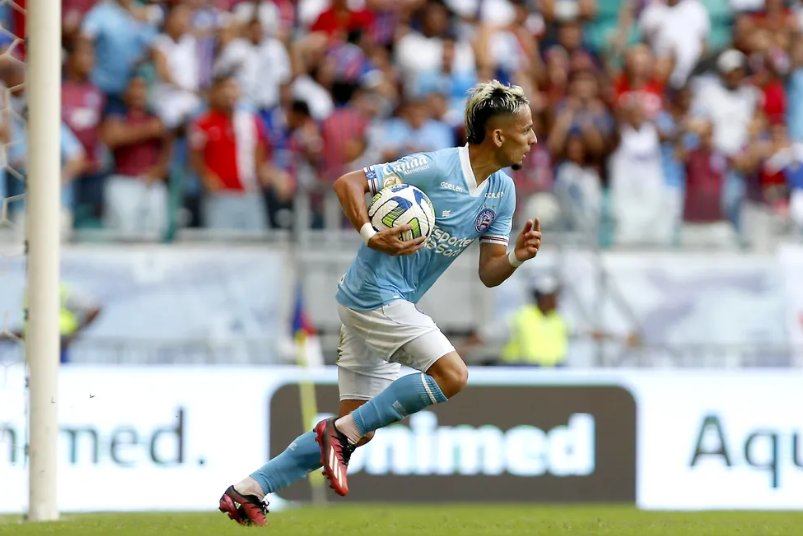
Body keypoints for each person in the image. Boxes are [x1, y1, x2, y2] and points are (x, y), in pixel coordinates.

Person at [218, 80, 541, 526]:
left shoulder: (502, 192)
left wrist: (515, 259)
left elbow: (489, 273)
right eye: (527, 129)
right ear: (499, 135)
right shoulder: (435, 166)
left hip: (380, 303)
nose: (534, 139)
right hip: (374, 294)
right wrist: (372, 234)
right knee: (452, 374)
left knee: (360, 427)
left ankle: (248, 490)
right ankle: (339, 435)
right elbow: (348, 182)